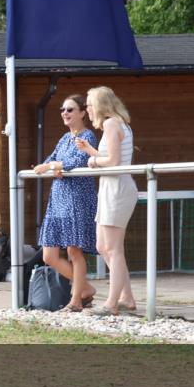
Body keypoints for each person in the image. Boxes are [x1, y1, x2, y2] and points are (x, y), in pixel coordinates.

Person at [32, 94, 99, 312]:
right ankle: (86, 288)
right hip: (58, 199)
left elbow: (77, 162)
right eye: (63, 109)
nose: (65, 113)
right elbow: (49, 161)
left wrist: (54, 166)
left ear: (82, 113)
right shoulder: (64, 138)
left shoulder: (87, 136)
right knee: (48, 255)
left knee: (74, 251)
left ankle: (76, 300)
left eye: (70, 109)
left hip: (77, 198)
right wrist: (53, 166)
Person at [76, 86, 137, 316]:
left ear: (99, 106)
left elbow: (112, 161)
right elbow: (111, 156)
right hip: (111, 187)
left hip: (117, 188)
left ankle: (112, 303)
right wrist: (92, 151)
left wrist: (92, 162)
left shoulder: (112, 124)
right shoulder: (116, 124)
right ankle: (126, 296)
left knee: (113, 248)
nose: (87, 110)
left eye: (89, 105)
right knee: (103, 246)